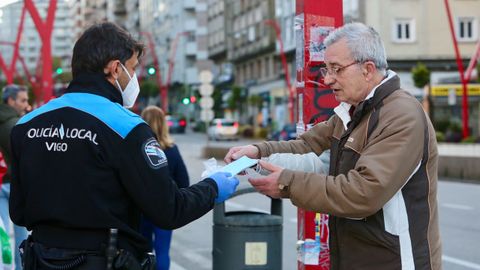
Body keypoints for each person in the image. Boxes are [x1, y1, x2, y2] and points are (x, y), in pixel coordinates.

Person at [9, 22, 239, 270]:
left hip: (42, 259)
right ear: (115, 68)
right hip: (106, 259)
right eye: (132, 68)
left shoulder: (26, 126)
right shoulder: (127, 128)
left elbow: (19, 212)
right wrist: (214, 186)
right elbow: (169, 210)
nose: (135, 77)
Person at [225, 22, 441, 270]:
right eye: (326, 69)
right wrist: (257, 154)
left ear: (368, 69)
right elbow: (307, 146)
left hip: (394, 262)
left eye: (336, 69)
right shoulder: (352, 112)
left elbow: (363, 192)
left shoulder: (401, 115)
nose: (327, 79)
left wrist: (287, 182)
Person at [139, 106, 189, 270]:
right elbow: (184, 181)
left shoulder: (137, 149)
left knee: (142, 252)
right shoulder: (172, 150)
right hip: (165, 208)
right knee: (162, 252)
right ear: (163, 124)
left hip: (141, 208)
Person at [0, 84, 30, 270]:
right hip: (13, 184)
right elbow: (25, 155)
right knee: (21, 237)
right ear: (11, 101)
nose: (27, 104)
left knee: (3, 235)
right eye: (23, 100)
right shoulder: (14, 125)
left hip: (1, 182)